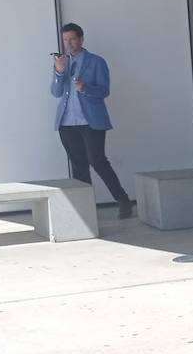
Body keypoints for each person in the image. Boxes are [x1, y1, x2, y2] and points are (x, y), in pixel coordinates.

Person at [50, 23, 133, 219]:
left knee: (98, 161)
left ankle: (123, 200)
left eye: (72, 39)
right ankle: (85, 209)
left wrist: (85, 88)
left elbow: (104, 90)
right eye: (65, 40)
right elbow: (56, 92)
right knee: (78, 165)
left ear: (81, 39)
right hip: (66, 123)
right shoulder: (62, 62)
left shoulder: (96, 62)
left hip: (91, 121)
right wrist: (59, 72)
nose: (68, 43)